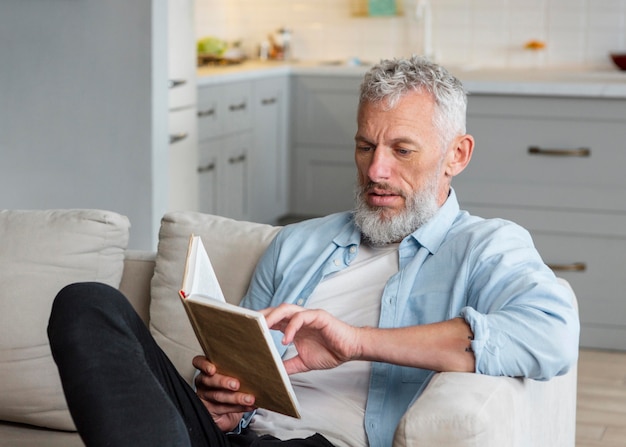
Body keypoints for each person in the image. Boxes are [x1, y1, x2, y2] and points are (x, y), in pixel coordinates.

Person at [48, 56, 579, 447]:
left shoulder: (484, 247)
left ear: (456, 155)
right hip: (227, 440)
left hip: (324, 446)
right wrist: (225, 398)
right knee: (86, 302)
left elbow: (549, 335)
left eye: (402, 150)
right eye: (365, 146)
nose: (375, 171)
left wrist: (358, 343)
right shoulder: (297, 243)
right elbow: (240, 372)